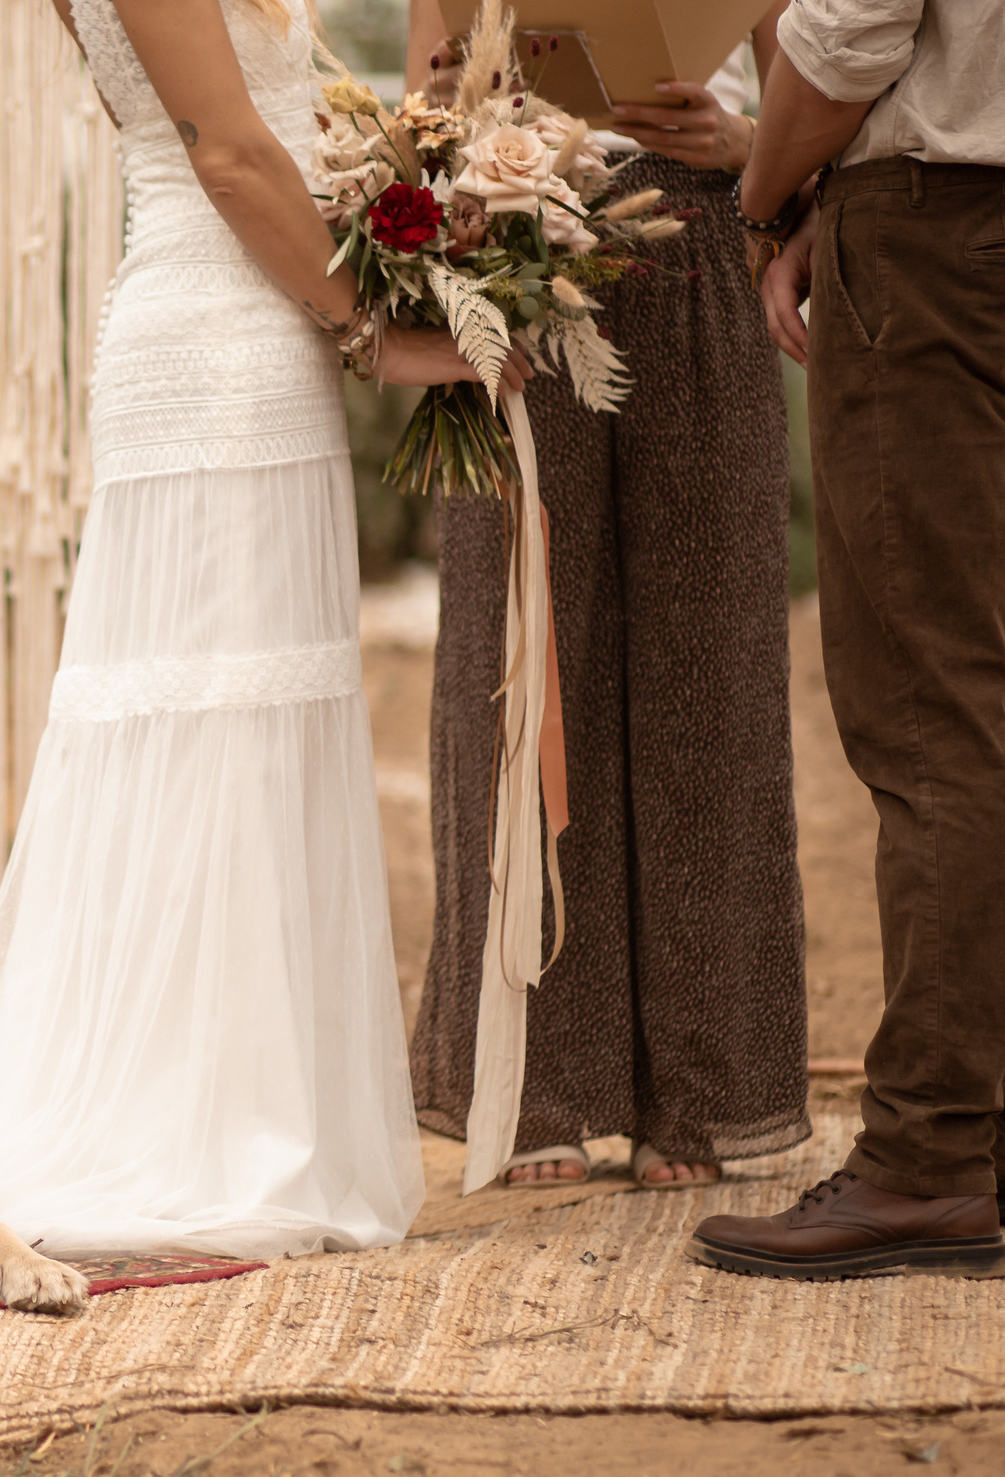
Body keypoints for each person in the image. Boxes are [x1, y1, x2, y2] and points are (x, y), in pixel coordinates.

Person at [0, 0, 512, 1257]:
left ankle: (251, 1097)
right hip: (218, 336)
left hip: (270, 321)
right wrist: (372, 332)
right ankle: (191, 1120)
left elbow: (295, 127)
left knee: (258, 721)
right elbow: (229, 152)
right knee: (209, 721)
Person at [403, 2, 813, 1192]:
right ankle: (536, 1086)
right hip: (523, 274)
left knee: (710, 671)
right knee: (521, 661)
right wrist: (463, 158)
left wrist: (744, 148)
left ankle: (703, 1089)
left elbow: (812, 93)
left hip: (698, 254)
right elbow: (422, 101)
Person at [690, 0, 1005, 1280]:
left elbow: (852, 27)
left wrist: (769, 194)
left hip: (944, 230)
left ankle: (928, 1159)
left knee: (934, 706)